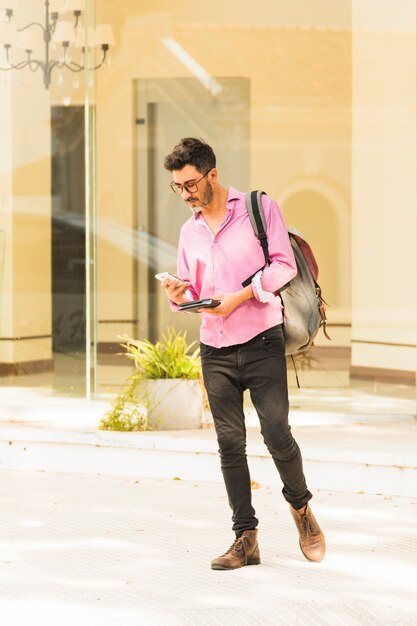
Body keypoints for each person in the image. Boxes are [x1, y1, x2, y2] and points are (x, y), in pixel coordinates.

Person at [161, 137, 326, 570]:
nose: (186, 194)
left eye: (191, 184)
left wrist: (241, 295)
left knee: (275, 433)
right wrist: (177, 295)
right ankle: (245, 537)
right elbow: (192, 293)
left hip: (261, 338)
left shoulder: (257, 207)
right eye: (177, 187)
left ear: (212, 174)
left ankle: (302, 510)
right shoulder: (189, 231)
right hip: (215, 346)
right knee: (229, 443)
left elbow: (283, 265)